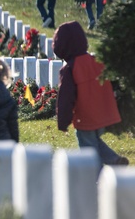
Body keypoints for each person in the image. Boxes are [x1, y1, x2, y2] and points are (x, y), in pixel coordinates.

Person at [54, 21, 127, 166]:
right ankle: (114, 161)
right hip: (102, 113)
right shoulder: (96, 61)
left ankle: (97, 176)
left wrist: (63, 121)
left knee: (88, 151)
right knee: (94, 141)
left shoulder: (70, 69)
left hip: (85, 116)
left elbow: (66, 98)